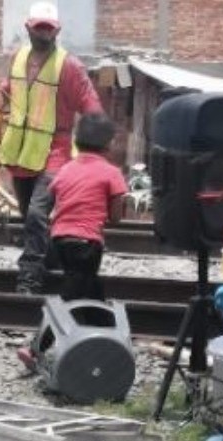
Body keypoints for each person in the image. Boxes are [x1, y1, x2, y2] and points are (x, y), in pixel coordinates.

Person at [0, 1, 104, 294]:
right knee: (30, 216)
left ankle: (28, 278)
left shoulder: (69, 66)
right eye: (39, 29)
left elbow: (92, 108)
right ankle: (54, 263)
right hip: (21, 153)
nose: (44, 34)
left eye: (49, 29)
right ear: (28, 29)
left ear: (57, 30)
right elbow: (10, 90)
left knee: (36, 214)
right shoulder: (17, 58)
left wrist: (92, 151)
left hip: (55, 152)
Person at [47, 113, 127, 301]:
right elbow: (115, 217)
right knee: (76, 288)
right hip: (87, 242)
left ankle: (100, 323)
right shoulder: (112, 172)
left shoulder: (65, 169)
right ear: (108, 143)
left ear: (76, 139)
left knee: (88, 283)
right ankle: (55, 324)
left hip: (59, 239)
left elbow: (54, 196)